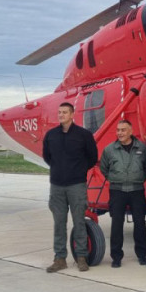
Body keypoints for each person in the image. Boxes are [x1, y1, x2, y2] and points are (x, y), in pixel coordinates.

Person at [43, 102, 98, 273]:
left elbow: (92, 157)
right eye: (59, 112)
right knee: (59, 223)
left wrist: (78, 171)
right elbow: (47, 157)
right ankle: (60, 258)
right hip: (57, 186)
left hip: (76, 185)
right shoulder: (51, 135)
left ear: (72, 114)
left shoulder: (84, 135)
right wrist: (60, 170)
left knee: (79, 221)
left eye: (65, 112)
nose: (61, 115)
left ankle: (82, 257)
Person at [99, 120, 146, 268]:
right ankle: (116, 257)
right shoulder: (109, 150)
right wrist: (114, 179)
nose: (120, 133)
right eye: (118, 130)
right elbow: (104, 168)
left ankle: (142, 255)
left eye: (123, 130)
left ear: (130, 131)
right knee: (116, 225)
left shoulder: (142, 148)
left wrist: (138, 178)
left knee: (140, 224)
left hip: (136, 190)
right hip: (117, 191)